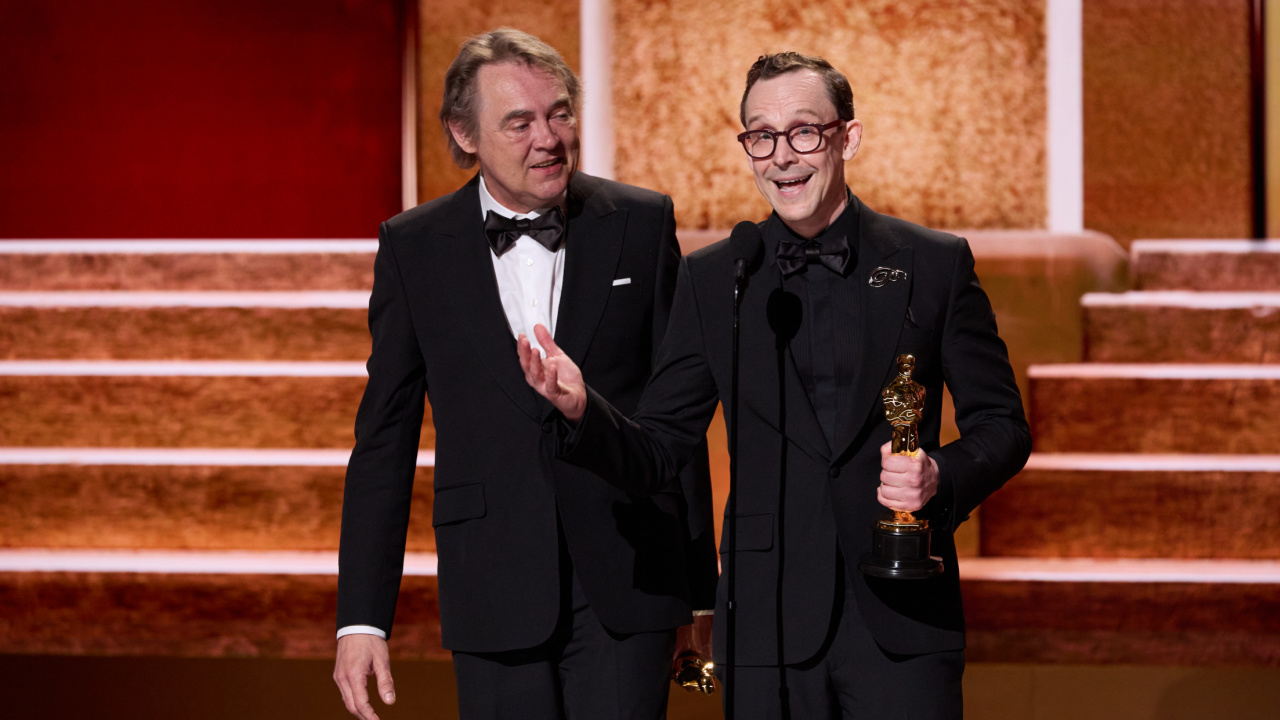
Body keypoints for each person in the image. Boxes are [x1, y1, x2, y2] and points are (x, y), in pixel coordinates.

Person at [519, 52, 1031, 719]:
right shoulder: (715, 278)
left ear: (849, 138)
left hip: (902, 613)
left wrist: (939, 476)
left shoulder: (932, 264)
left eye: (804, 132)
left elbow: (1004, 428)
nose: (782, 156)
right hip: (766, 626)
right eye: (761, 136)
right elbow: (663, 446)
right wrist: (585, 411)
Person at [333, 28, 717, 720]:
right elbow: (383, 442)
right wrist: (362, 618)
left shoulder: (641, 221)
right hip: (493, 587)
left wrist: (696, 592)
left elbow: (676, 423)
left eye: (560, 113)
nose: (549, 137)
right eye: (520, 121)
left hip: (629, 581)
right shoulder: (413, 247)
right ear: (465, 132)